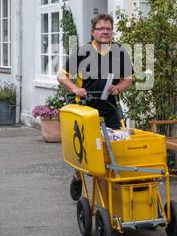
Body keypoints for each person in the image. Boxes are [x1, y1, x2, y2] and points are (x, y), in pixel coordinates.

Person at [57, 12, 134, 200]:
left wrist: (118, 87)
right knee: (84, 150)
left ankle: (112, 189)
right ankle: (77, 177)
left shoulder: (120, 53)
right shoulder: (83, 52)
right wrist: (76, 89)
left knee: (115, 148)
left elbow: (129, 79)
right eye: (100, 29)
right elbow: (61, 76)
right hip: (86, 109)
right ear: (93, 32)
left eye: (108, 29)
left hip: (110, 108)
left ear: (112, 32)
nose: (105, 32)